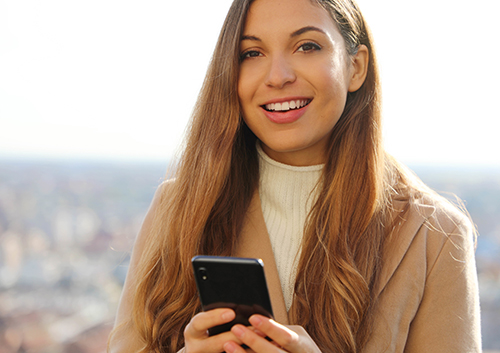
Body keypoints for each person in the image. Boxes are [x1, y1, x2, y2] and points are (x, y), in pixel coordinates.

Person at [108, 0, 481, 352]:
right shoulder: (178, 207)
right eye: (251, 53)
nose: (278, 76)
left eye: (306, 46)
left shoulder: (435, 235)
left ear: (356, 67)